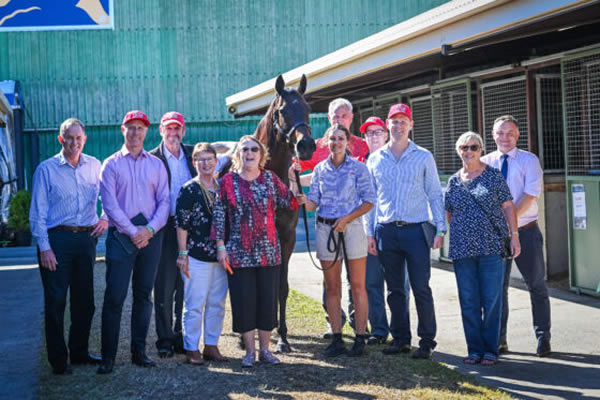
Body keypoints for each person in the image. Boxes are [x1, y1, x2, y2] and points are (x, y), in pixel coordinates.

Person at [212, 135, 304, 368]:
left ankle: (265, 350)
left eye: (254, 149)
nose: (250, 153)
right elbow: (219, 216)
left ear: (262, 155)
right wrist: (221, 248)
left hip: (268, 252)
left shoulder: (271, 179)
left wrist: (294, 181)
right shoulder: (227, 182)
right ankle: (249, 352)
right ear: (238, 155)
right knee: (244, 302)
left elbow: (290, 202)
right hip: (238, 253)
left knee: (266, 302)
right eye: (245, 150)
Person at [364, 103, 445, 360]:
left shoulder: (423, 156)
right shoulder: (375, 159)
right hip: (387, 231)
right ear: (387, 126)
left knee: (421, 287)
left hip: (416, 231)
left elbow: (434, 194)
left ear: (411, 125)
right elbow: (371, 199)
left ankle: (427, 340)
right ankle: (400, 338)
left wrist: (441, 228)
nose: (398, 125)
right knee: (395, 289)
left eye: (403, 121)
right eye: (394, 121)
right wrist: (369, 233)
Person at [30, 118, 107, 375]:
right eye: (69, 138)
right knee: (56, 302)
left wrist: (105, 217)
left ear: (84, 139)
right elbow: (37, 214)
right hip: (57, 241)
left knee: (85, 302)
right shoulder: (46, 169)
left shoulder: (95, 165)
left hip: (86, 240)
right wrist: (45, 247)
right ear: (60, 139)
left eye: (78, 138)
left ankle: (79, 352)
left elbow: (109, 194)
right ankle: (59, 361)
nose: (74, 143)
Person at [97, 110, 170, 374]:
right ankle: (108, 358)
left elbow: (165, 201)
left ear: (146, 132)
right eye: (131, 127)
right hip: (121, 239)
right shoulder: (111, 164)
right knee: (114, 297)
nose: (136, 132)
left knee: (143, 296)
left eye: (140, 128)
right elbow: (110, 205)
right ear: (122, 130)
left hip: (151, 238)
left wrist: (149, 230)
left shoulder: (156, 165)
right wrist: (133, 231)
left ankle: (139, 352)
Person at [445, 131, 521, 366]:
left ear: (481, 150)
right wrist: (464, 231)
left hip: (491, 248)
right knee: (468, 300)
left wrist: (514, 236)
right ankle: (474, 350)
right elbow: (449, 212)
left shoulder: (494, 176)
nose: (468, 151)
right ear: (458, 151)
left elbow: (508, 207)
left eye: (473, 147)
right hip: (462, 251)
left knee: (492, 300)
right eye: (464, 148)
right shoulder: (454, 181)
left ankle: (490, 350)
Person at [298, 124, 374, 357]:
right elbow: (313, 203)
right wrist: (302, 199)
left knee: (358, 285)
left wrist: (346, 219)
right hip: (326, 229)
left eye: (340, 138)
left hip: (351, 229)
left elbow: (369, 200)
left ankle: (360, 337)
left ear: (347, 141)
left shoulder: (359, 169)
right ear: (326, 142)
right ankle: (337, 337)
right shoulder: (320, 169)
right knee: (332, 287)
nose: (336, 143)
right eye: (332, 139)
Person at [482, 115, 552, 357]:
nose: (505, 137)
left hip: (526, 232)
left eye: (510, 133)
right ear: (492, 135)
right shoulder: (484, 162)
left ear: (517, 135)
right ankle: (499, 340)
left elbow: (530, 195)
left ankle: (543, 337)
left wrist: (509, 225)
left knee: (537, 285)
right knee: (497, 289)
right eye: (500, 133)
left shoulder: (529, 160)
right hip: (496, 237)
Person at [175, 143, 228, 365]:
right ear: (194, 163)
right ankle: (191, 348)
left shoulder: (222, 188)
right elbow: (182, 224)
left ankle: (212, 345)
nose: (206, 164)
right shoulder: (189, 189)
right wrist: (183, 253)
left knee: (217, 302)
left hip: (220, 255)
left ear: (216, 161)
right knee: (195, 302)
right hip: (196, 255)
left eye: (209, 159)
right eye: (201, 160)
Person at [149, 111, 196, 358]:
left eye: (177, 128)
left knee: (186, 284)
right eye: (169, 128)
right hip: (164, 228)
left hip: (190, 230)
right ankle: (165, 339)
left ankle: (180, 335)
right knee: (165, 286)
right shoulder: (152, 158)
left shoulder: (192, 154)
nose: (173, 133)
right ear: (161, 130)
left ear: (183, 130)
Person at [359, 116, 410, 346]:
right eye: (369, 133)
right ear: (364, 138)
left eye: (378, 132)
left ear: (386, 133)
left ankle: (402, 332)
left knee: (399, 285)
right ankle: (379, 329)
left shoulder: (400, 158)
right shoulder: (359, 163)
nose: (373, 136)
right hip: (371, 231)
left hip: (397, 231)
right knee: (372, 282)